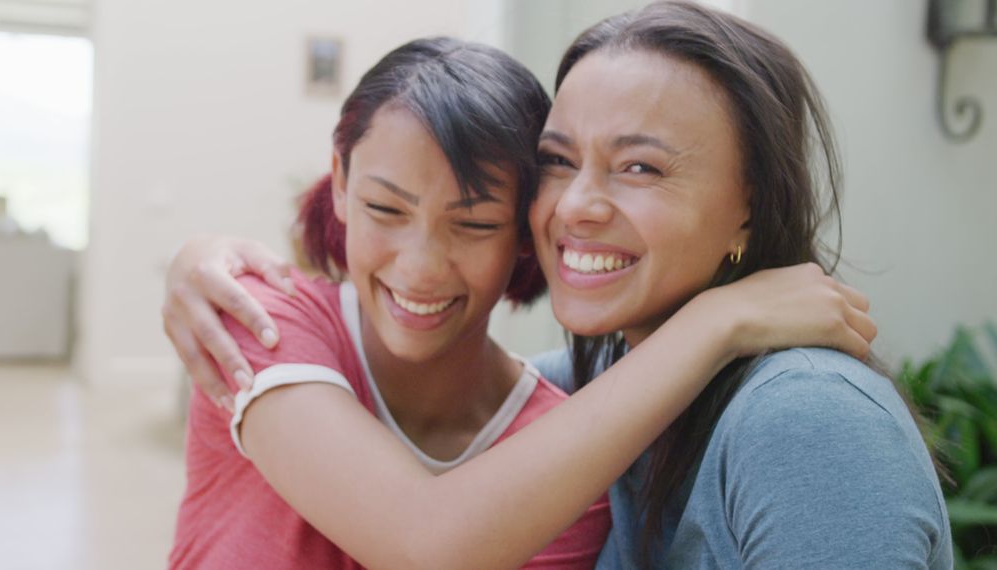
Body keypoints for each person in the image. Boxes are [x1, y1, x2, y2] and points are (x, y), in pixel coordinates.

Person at [165, 6, 928, 570]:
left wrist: (716, 322)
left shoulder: (809, 416)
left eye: (640, 167)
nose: (578, 205)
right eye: (560, 161)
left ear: (752, 201)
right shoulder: (592, 391)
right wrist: (195, 260)